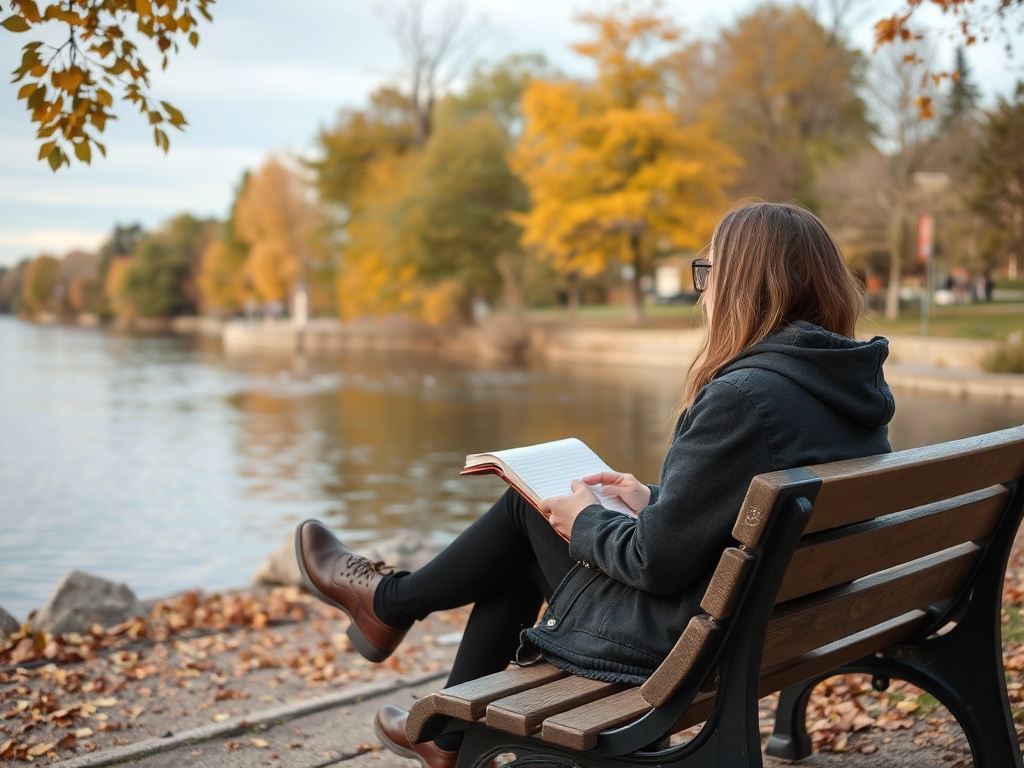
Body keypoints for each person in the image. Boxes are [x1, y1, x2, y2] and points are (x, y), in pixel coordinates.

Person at [295, 201, 895, 768]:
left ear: (745, 284)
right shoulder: (844, 385)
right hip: (780, 625)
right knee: (529, 533)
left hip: (688, 648)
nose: (703, 288)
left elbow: (654, 562)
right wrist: (651, 502)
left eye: (709, 270)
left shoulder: (743, 397)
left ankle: (395, 611)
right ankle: (439, 717)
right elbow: (747, 522)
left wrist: (586, 519)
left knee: (529, 511)